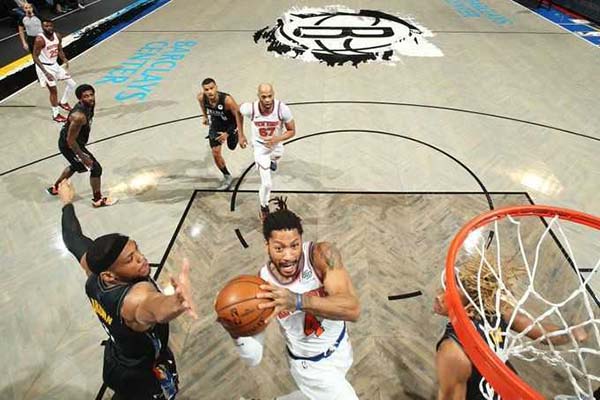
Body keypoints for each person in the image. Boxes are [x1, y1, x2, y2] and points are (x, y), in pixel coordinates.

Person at [57, 179, 198, 399]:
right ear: (110, 275)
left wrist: (67, 203)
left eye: (137, 250)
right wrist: (176, 302)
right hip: (142, 375)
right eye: (130, 259)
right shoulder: (133, 299)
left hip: (116, 360)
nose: (141, 258)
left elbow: (72, 236)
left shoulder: (95, 274)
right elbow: (154, 308)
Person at [222, 197, 360, 400]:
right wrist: (236, 332)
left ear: (301, 240)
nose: (288, 256)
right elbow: (254, 358)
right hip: (310, 367)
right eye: (279, 248)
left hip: (340, 347)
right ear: (267, 246)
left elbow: (352, 309)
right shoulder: (262, 286)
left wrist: (297, 301)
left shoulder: (321, 255)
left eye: (294, 245)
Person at [434, 259, 588, 400]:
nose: (439, 297)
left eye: (449, 295)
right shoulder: (496, 314)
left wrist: (568, 333)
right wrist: (570, 334)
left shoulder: (451, 351)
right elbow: (541, 332)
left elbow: (542, 332)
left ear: (469, 310)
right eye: (444, 287)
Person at [46, 84, 117, 207]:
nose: (90, 98)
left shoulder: (90, 105)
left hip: (75, 142)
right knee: (95, 168)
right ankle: (98, 200)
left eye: (91, 95)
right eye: (86, 96)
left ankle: (56, 188)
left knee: (76, 166)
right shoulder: (78, 116)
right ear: (80, 99)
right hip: (70, 145)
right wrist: (83, 157)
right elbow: (70, 140)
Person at [238, 83, 296, 221]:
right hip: (260, 148)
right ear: (258, 96)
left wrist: (277, 139)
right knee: (267, 184)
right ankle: (264, 207)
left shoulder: (282, 109)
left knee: (277, 155)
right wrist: (241, 134)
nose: (267, 100)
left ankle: (272, 161)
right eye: (264, 97)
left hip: (276, 145)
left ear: (273, 94)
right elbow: (237, 110)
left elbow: (292, 131)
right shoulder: (250, 108)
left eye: (270, 96)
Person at [196, 78, 243, 190]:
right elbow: (202, 105)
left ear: (216, 87)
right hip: (216, 125)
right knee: (216, 153)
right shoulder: (201, 97)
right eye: (206, 89)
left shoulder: (227, 100)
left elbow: (239, 116)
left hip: (230, 125)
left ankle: (234, 135)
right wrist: (205, 116)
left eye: (211, 88)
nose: (209, 92)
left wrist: (230, 133)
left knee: (232, 147)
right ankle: (227, 176)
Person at [32, 17, 75, 122]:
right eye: (46, 26)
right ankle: (56, 115)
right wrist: (45, 73)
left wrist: (64, 58)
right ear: (42, 27)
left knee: (72, 84)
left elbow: (59, 49)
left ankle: (63, 102)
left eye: (50, 25)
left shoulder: (57, 36)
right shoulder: (40, 39)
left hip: (55, 65)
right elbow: (35, 57)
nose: (49, 28)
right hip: (44, 67)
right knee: (53, 91)